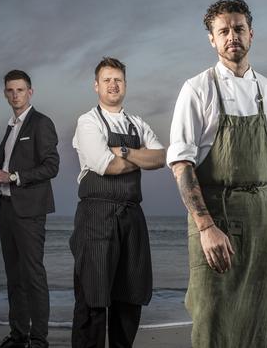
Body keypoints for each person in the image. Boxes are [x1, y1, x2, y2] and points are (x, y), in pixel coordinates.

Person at [167, 0, 267, 347]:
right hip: (215, 216)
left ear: (251, 34)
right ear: (212, 39)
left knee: (255, 319)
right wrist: (206, 227)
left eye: (238, 28)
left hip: (261, 219)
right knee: (212, 318)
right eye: (223, 31)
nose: (232, 37)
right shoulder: (197, 89)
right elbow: (181, 163)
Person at [70, 57, 165, 348]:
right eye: (107, 79)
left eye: (118, 80)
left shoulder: (137, 123)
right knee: (94, 298)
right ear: (96, 85)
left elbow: (162, 158)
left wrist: (123, 151)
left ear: (125, 85)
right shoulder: (87, 122)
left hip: (131, 217)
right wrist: (139, 158)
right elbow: (106, 166)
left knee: (130, 295)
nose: (113, 84)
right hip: (96, 216)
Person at [0, 70, 59, 348]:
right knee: (14, 277)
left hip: (29, 212)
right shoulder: (11, 126)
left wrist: (13, 176)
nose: (15, 95)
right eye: (10, 91)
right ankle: (18, 335)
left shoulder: (41, 124)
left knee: (33, 276)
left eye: (20, 90)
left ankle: (39, 339)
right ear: (5, 94)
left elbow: (52, 166)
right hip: (7, 209)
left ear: (30, 92)